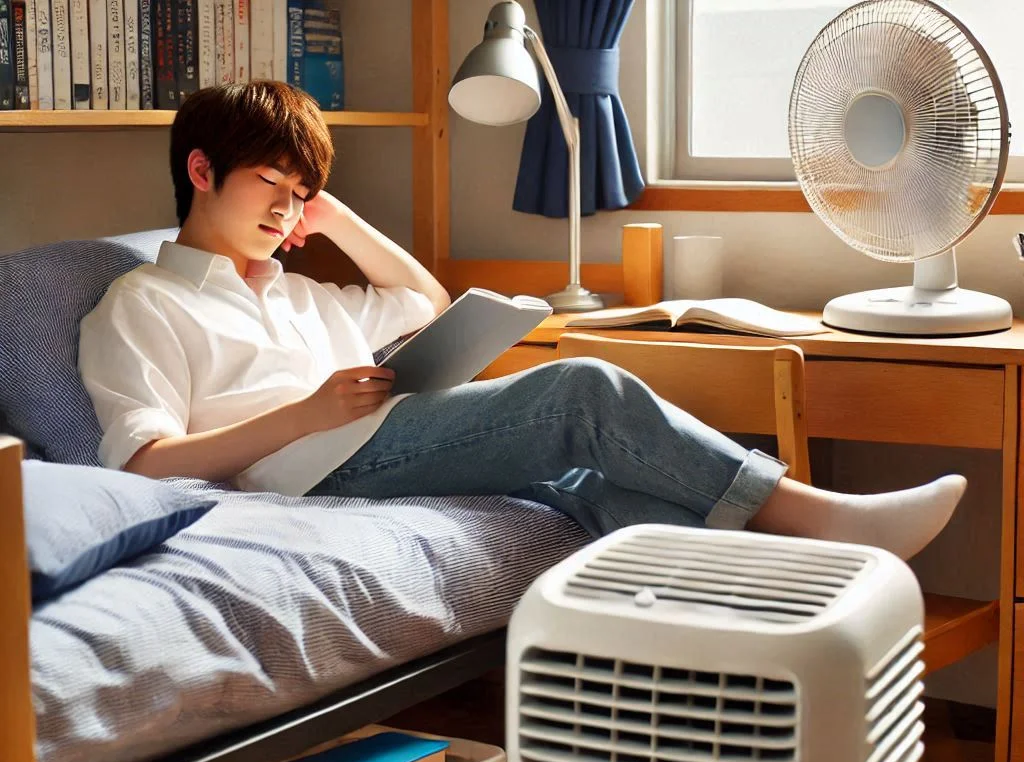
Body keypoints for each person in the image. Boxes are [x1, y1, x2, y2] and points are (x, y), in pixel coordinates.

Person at [79, 80, 966, 560]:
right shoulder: (141, 304)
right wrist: (307, 413)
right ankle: (823, 517)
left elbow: (423, 302)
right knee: (579, 392)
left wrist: (336, 219)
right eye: (270, 185)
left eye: (301, 191)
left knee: (593, 491)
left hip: (374, 438)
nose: (286, 208)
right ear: (201, 170)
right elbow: (145, 461)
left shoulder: (299, 292)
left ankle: (816, 573)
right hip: (304, 472)